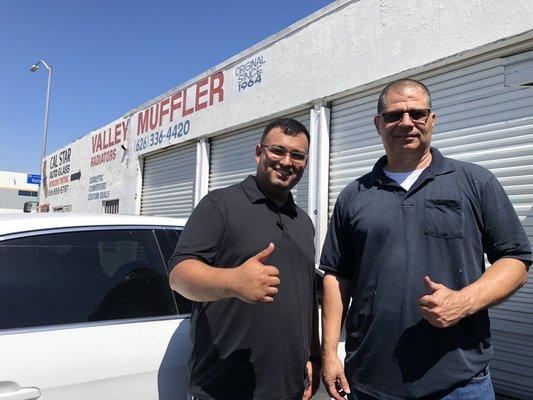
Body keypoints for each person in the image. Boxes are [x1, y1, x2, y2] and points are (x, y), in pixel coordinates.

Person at [320, 78, 532, 400]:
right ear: (378, 124)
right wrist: (329, 353)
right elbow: (337, 276)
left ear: (431, 120)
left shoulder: (475, 182)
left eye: (417, 113)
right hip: (370, 382)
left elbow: (515, 259)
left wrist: (463, 302)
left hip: (460, 383)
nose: (406, 122)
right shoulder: (355, 195)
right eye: (394, 115)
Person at [169, 118, 320, 400]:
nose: (287, 161)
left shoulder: (304, 222)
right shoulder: (219, 205)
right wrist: (233, 281)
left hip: (289, 387)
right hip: (223, 388)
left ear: (305, 162)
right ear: (258, 152)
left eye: (297, 155)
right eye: (277, 151)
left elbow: (307, 296)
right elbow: (179, 275)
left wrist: (312, 355)